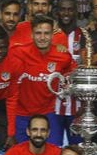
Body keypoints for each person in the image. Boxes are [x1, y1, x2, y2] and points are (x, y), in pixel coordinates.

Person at [13, 15, 75, 145]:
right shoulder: (17, 51)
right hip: (22, 114)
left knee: (53, 153)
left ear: (53, 34)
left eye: (46, 33)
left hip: (49, 113)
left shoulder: (63, 56)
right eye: (38, 33)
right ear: (31, 34)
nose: (42, 37)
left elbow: (74, 75)